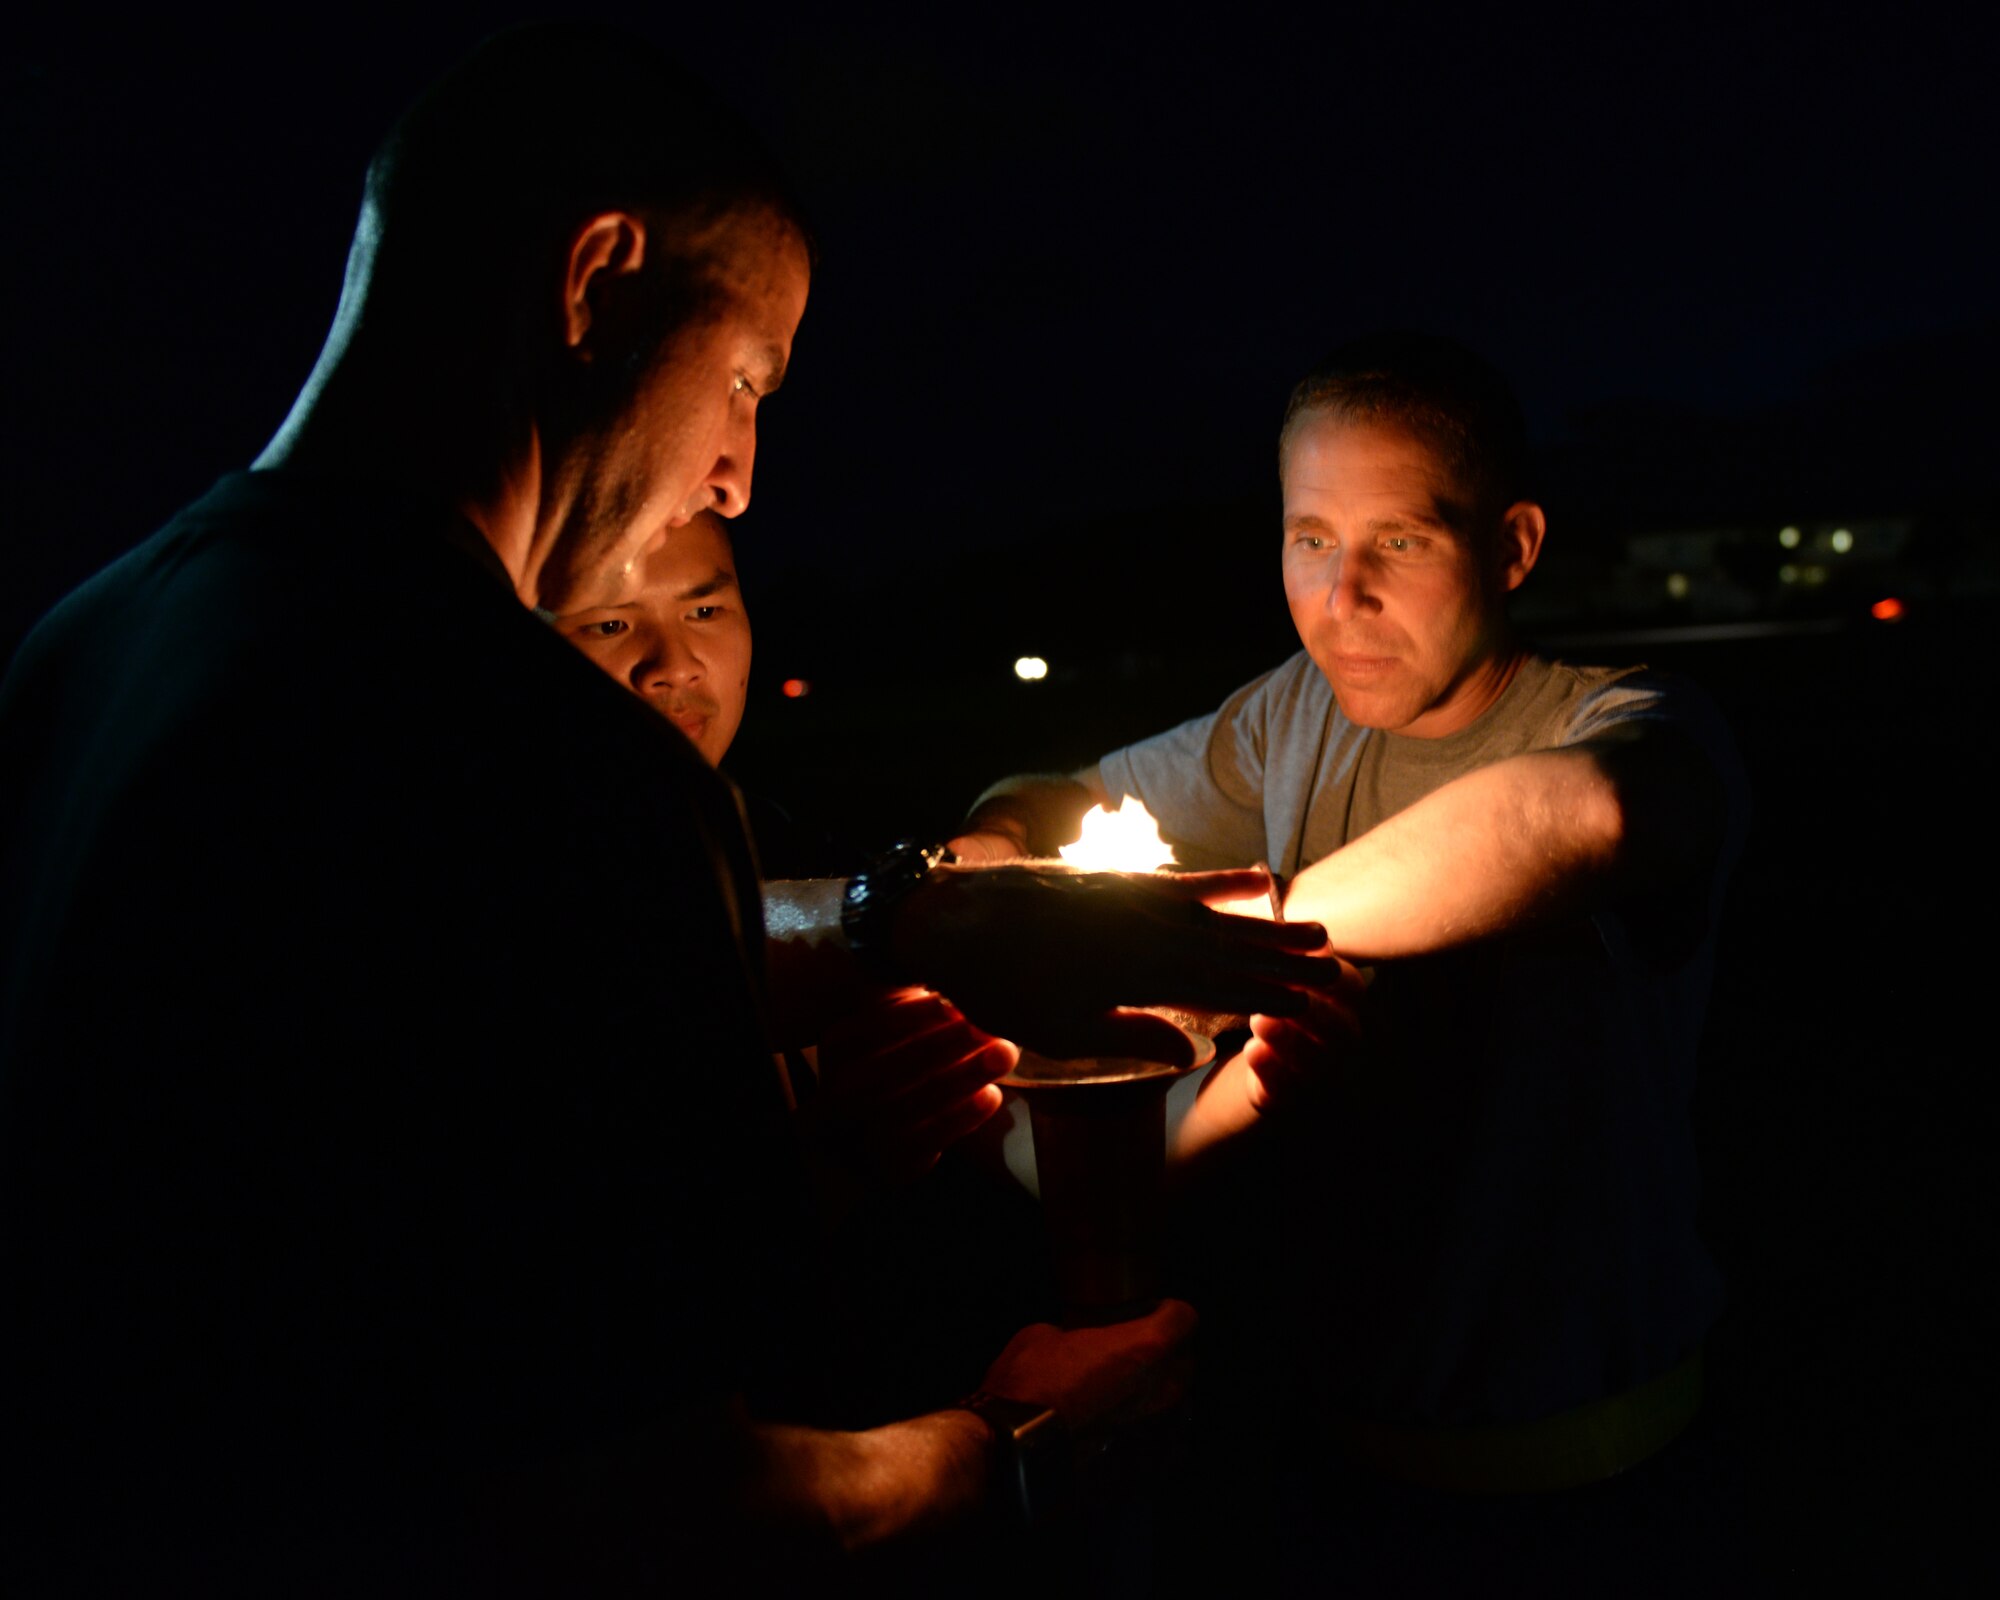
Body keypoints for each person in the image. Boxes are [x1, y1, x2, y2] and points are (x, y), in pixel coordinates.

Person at [0, 25, 1340, 1592]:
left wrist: (897, 922)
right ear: (599, 282)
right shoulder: (536, 749)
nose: (739, 480)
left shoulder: (79, 654)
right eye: (748, 379)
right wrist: (1028, 1446)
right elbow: (645, 1511)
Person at [949, 334, 1751, 1538]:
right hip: (1322, 1444)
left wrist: (1216, 938)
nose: (1342, 596)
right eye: (1309, 537)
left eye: (1401, 542)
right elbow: (1055, 795)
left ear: (1511, 545)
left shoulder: (1628, 719)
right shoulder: (1294, 712)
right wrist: (982, 879)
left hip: (1581, 1456)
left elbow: (1587, 812)